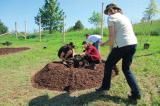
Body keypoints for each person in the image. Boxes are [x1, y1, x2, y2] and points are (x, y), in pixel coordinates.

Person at [96, 3, 141, 100]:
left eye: (108, 11)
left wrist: (104, 44)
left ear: (111, 10)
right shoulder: (125, 17)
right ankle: (136, 93)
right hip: (133, 44)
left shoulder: (111, 18)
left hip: (122, 46)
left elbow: (112, 39)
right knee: (126, 69)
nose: (108, 14)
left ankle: (105, 87)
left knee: (108, 64)